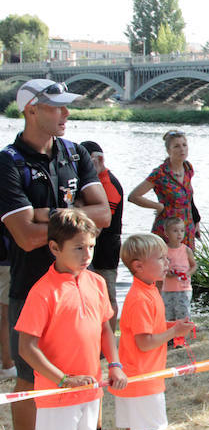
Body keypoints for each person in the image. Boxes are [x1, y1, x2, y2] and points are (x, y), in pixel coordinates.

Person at [0, 79, 119, 430]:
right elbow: (25, 236)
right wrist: (67, 216)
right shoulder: (9, 161)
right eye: (57, 108)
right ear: (32, 109)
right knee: (30, 376)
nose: (66, 114)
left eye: (68, 108)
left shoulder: (76, 152)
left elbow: (103, 214)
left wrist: (45, 212)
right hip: (32, 283)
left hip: (82, 283)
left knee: (90, 365)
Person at [14, 210, 127, 430]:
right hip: (58, 391)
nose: (87, 254)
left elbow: (104, 329)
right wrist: (62, 379)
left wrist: (114, 364)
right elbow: (27, 348)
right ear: (54, 248)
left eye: (91, 246)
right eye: (78, 248)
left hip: (90, 387)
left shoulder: (97, 282)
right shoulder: (42, 292)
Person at [111, 234, 195, 430]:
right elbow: (145, 342)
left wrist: (172, 326)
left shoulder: (148, 291)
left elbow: (150, 329)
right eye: (160, 258)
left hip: (135, 377)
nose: (166, 262)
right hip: (143, 379)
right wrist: (172, 333)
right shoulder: (140, 298)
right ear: (138, 266)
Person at [128, 130, 197, 250]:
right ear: (168, 150)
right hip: (167, 229)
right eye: (176, 146)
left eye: (184, 145)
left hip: (186, 227)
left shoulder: (188, 168)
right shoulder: (160, 173)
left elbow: (189, 198)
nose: (182, 149)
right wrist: (158, 206)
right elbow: (134, 196)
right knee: (165, 264)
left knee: (185, 264)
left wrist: (196, 222)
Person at [81, 141, 124, 333]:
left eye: (87, 163)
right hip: (91, 245)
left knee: (108, 296)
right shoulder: (93, 182)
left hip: (107, 247)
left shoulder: (110, 185)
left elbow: (101, 223)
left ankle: (108, 341)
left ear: (99, 160)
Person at [162, 218, 195, 322]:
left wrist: (187, 274)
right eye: (175, 231)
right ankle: (171, 336)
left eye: (182, 231)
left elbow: (194, 266)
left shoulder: (186, 250)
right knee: (168, 315)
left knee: (183, 314)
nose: (179, 234)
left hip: (183, 289)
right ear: (167, 233)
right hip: (167, 289)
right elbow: (160, 267)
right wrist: (167, 273)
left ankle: (182, 336)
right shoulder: (164, 250)